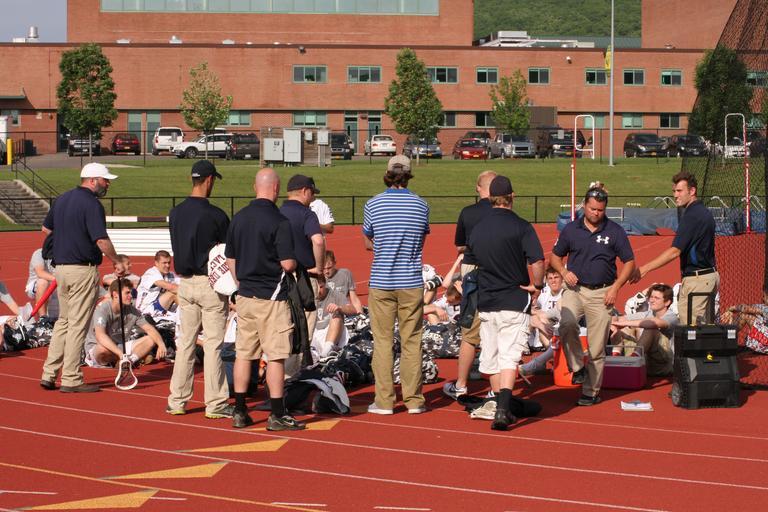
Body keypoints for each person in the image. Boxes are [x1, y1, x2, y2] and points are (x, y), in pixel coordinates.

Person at [225, 167, 305, 431]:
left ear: (254, 187)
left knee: (244, 354)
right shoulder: (279, 221)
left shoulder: (238, 218)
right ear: (276, 188)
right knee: (276, 356)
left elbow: (230, 258)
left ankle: (239, 410)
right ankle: (277, 413)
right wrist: (295, 262)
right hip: (272, 297)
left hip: (245, 294)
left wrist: (240, 284)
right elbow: (288, 263)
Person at [467, 175, 545, 430]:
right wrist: (537, 285)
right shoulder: (521, 226)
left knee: (491, 358)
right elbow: (537, 261)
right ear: (512, 196)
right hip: (514, 299)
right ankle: (503, 409)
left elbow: (471, 261)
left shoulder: (478, 228)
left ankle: (502, 403)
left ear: (490, 198)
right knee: (509, 357)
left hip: (487, 301)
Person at [40, 162, 126, 393]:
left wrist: (66, 239)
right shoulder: (92, 204)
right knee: (77, 324)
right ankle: (71, 377)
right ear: (93, 180)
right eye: (105, 180)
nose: (107, 184)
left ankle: (49, 373)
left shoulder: (62, 199)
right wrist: (117, 261)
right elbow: (101, 240)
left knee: (64, 322)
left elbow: (46, 229)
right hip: (82, 269)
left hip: (61, 269)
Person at [550, 185, 636, 406]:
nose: (596, 213)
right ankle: (577, 366)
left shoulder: (614, 231)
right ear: (584, 206)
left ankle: (591, 392)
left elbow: (629, 262)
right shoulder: (571, 229)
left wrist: (616, 287)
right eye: (592, 209)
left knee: (597, 347)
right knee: (567, 324)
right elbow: (555, 257)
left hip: (602, 293)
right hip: (575, 289)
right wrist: (564, 273)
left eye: (600, 210)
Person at [363, 155, 430, 415]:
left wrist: (383, 246)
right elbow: (421, 241)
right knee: (412, 341)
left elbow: (368, 241)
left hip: (382, 280)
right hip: (410, 280)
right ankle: (414, 399)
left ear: (388, 173)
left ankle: (384, 400)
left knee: (382, 341)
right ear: (409, 175)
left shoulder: (373, 204)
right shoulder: (421, 205)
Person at [166, 160, 232, 419]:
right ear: (209, 180)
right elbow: (228, 252)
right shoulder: (216, 215)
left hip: (185, 283)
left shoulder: (176, 213)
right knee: (213, 345)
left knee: (185, 343)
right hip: (210, 284)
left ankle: (177, 400)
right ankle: (215, 403)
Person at [636, 171, 719, 325]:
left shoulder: (692, 215)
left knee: (691, 329)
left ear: (692, 191)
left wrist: (644, 269)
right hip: (706, 277)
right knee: (703, 329)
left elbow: (675, 251)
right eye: (674, 191)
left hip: (698, 280)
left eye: (679, 191)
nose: (675, 195)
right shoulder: (703, 212)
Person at [443, 170, 497, 401]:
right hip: (497, 270)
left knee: (469, 331)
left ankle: (461, 384)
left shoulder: (468, 212)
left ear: (478, 188)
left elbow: (460, 246)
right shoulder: (503, 212)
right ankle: (497, 387)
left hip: (473, 269)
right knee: (495, 327)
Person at [280, 175, 326, 347]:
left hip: (280, 278)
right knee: (305, 325)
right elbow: (318, 241)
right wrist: (319, 269)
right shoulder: (307, 214)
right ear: (305, 191)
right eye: (312, 193)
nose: (313, 198)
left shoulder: (277, 212)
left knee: (284, 326)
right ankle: (299, 363)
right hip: (304, 277)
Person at [84, 278, 165, 368]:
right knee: (102, 349)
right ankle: (128, 358)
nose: (131, 296)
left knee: (151, 339)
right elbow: (101, 336)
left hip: (120, 346)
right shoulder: (102, 309)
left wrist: (161, 344)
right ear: (115, 294)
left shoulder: (132, 311)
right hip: (98, 348)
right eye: (127, 293)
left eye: (131, 292)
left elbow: (149, 329)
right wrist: (121, 354)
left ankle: (130, 361)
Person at [610, 283, 678, 376]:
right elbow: (617, 319)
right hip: (646, 363)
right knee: (624, 328)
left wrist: (624, 323)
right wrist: (614, 325)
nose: (652, 300)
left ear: (667, 302)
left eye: (656, 298)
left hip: (664, 365)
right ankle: (616, 357)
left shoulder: (671, 316)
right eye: (651, 297)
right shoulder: (648, 313)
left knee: (650, 328)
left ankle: (634, 359)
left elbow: (653, 323)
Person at [519, 266, 565, 378]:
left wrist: (541, 316)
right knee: (535, 318)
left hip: (566, 334)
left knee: (542, 318)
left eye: (556, 277)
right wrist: (541, 324)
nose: (553, 281)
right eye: (550, 278)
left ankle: (537, 363)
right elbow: (530, 311)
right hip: (550, 334)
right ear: (547, 281)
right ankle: (521, 349)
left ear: (562, 279)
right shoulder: (544, 294)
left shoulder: (566, 294)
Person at [136, 250, 179, 320]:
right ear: (156, 263)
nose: (167, 265)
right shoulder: (151, 273)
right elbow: (171, 287)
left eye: (169, 262)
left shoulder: (170, 275)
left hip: (159, 307)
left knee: (180, 294)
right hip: (146, 311)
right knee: (172, 294)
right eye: (164, 263)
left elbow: (182, 284)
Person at [323, 250, 363, 315]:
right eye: (323, 268)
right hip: (327, 314)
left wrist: (360, 315)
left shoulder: (345, 274)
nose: (326, 271)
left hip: (344, 311)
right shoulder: (317, 279)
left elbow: (354, 299)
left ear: (335, 263)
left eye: (329, 268)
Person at [25, 240, 56, 318]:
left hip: (54, 285)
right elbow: (40, 273)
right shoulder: (39, 253)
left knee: (55, 317)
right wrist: (60, 279)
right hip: (36, 285)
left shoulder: (63, 255)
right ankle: (42, 318)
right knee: (43, 282)